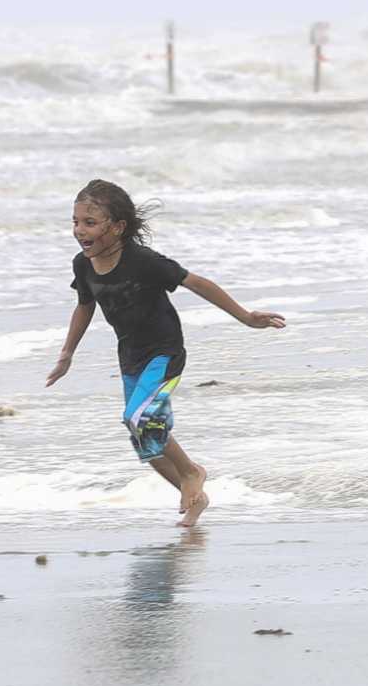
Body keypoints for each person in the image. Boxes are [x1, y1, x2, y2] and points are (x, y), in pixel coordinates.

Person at [45, 179, 288, 527]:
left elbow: (198, 283)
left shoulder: (144, 262)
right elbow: (85, 306)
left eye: (90, 223)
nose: (79, 230)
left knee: (141, 418)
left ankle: (192, 472)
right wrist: (67, 353)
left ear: (118, 227)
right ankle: (195, 499)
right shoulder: (83, 265)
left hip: (164, 352)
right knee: (146, 442)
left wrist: (245, 317)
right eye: (75, 222)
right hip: (130, 357)